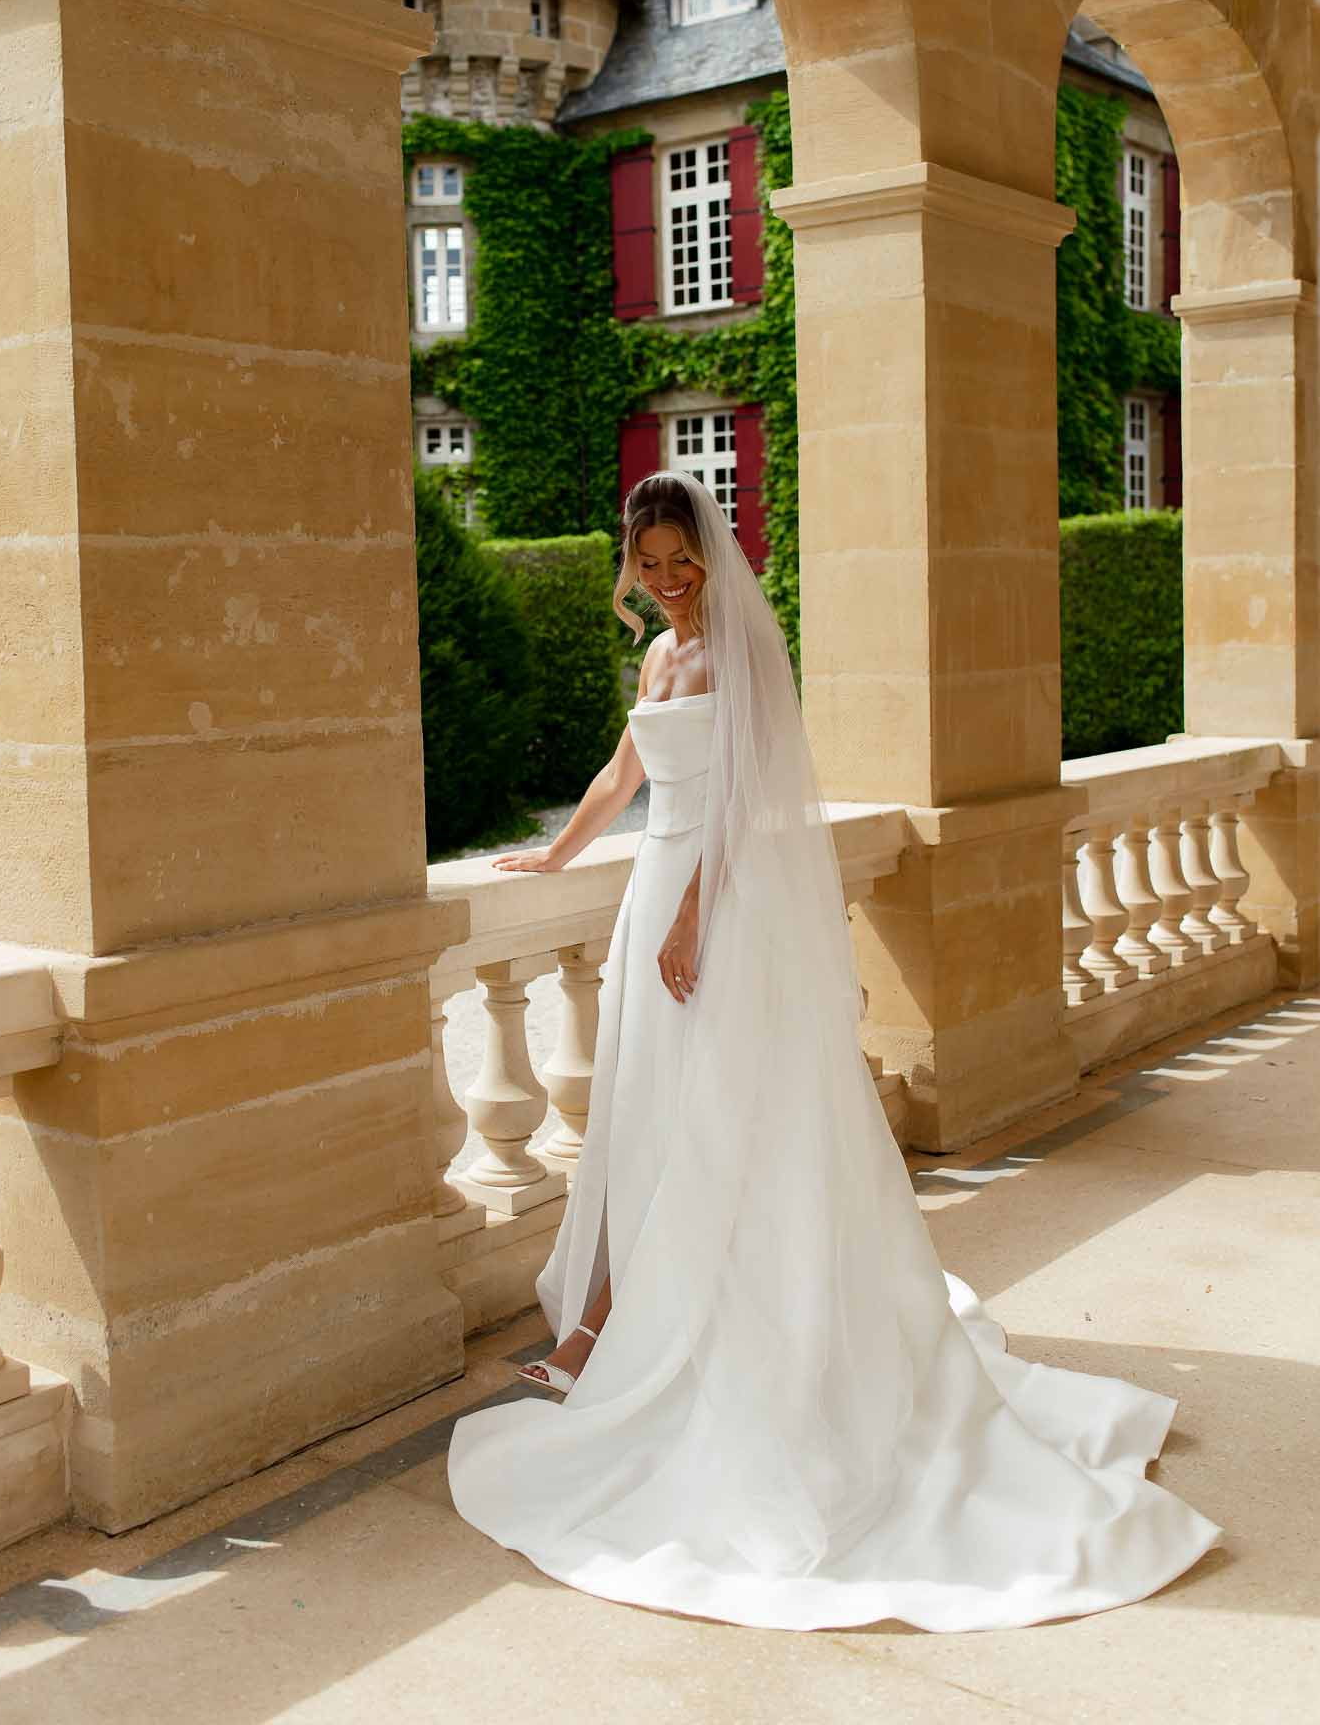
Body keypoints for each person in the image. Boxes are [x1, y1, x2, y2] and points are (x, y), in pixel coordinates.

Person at [446, 468, 1223, 1633]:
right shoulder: (659, 657)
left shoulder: (745, 655)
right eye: (645, 565)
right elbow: (628, 772)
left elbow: (740, 798)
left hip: (713, 909)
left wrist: (694, 916)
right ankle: (601, 1323)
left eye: (678, 564)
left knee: (722, 1121)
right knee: (640, 1113)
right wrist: (556, 858)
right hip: (652, 895)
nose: (661, 584)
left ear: (712, 556)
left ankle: (666, 1330)